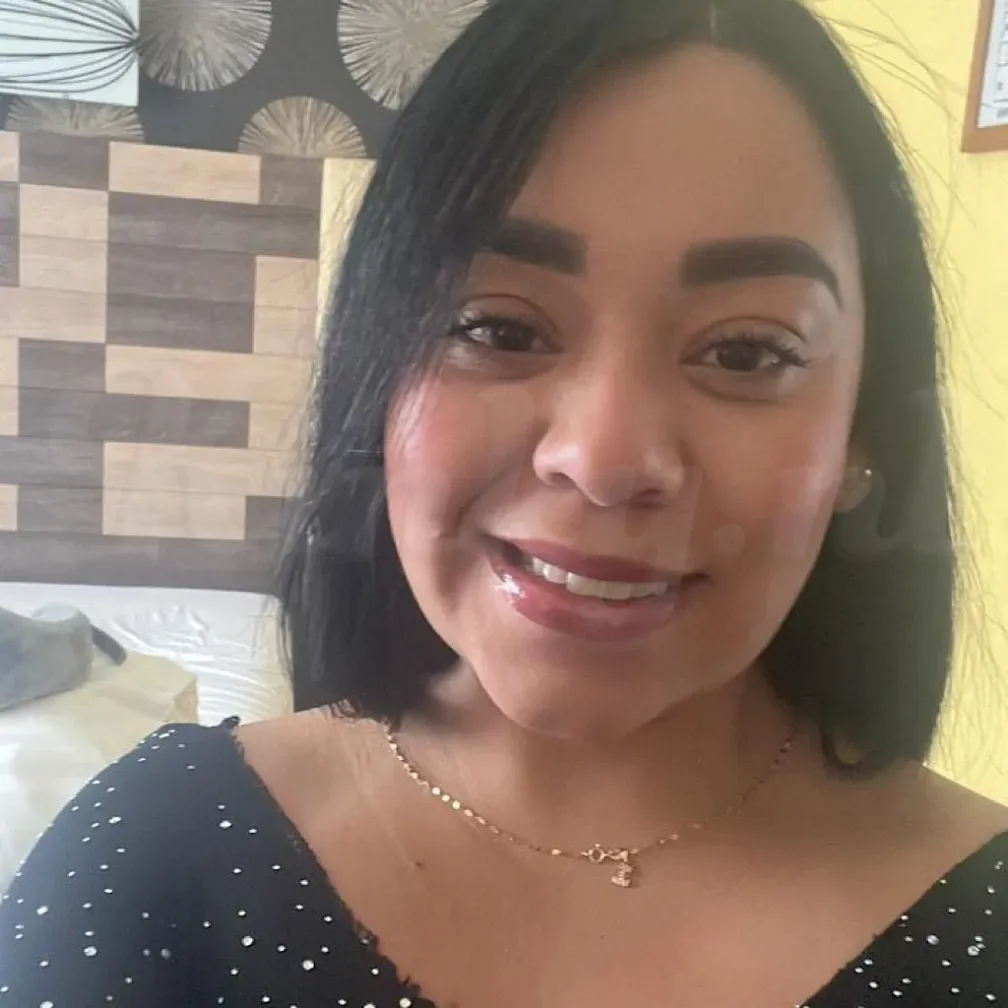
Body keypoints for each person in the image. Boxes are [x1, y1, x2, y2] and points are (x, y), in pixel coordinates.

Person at [2, 0, 1006, 1004]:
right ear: (378, 376)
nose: (604, 461)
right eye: (498, 329)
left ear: (864, 435)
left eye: (746, 352)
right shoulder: (156, 860)